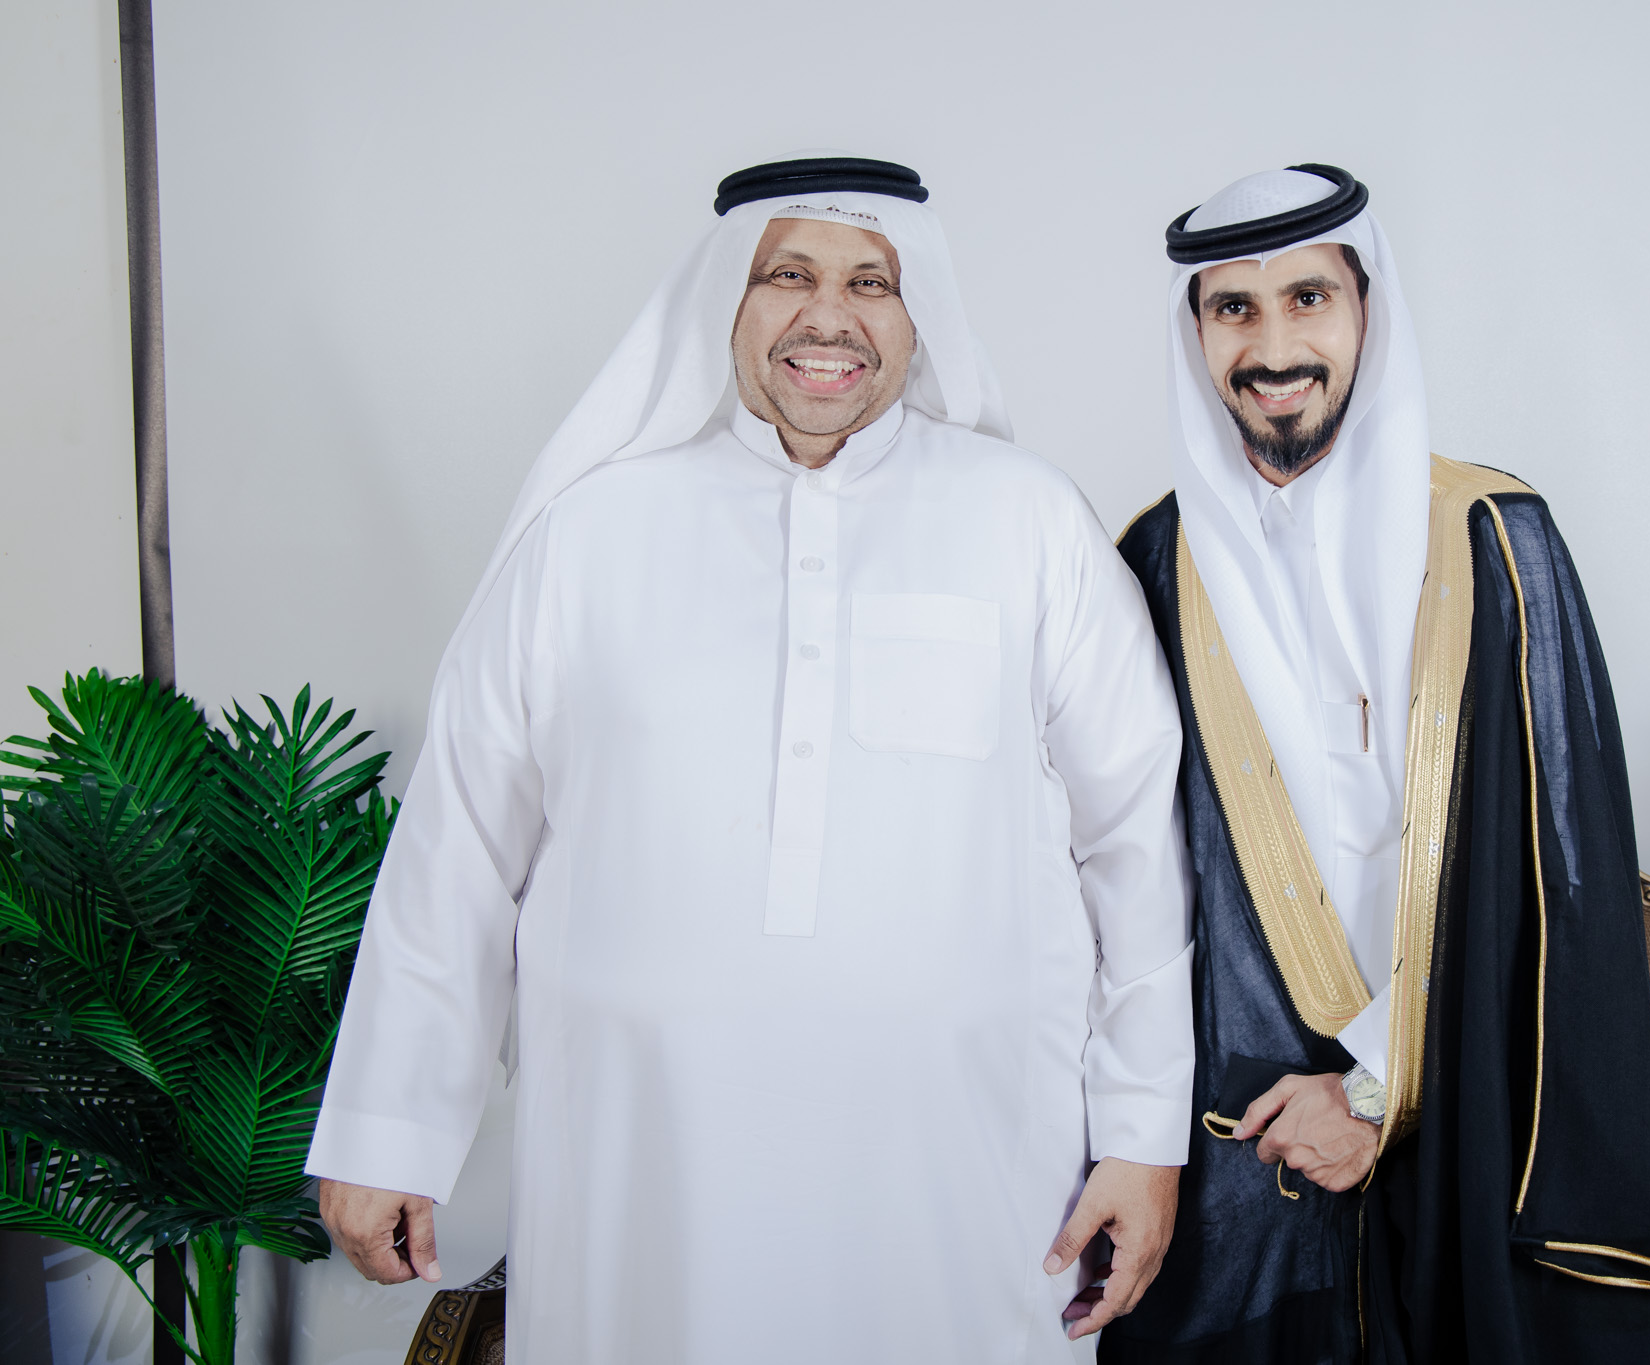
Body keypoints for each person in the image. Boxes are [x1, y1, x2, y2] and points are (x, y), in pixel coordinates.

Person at [307, 155, 1196, 1362]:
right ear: (725, 299)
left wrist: (1142, 1135)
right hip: (643, 1161)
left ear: (916, 315)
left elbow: (1135, 846)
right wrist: (386, 1131)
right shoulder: (587, 535)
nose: (829, 316)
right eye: (787, 275)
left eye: (870, 282)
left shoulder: (1031, 522)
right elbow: (458, 847)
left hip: (965, 1164)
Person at [1100, 165, 1650, 1363]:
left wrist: (1377, 1087)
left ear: (1366, 311)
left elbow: (1566, 875)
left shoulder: (1493, 540)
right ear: (1196, 332)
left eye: (1308, 298)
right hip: (1243, 1160)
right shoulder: (1151, 563)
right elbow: (1124, 884)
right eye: (1233, 308)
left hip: (1476, 1128)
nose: (1273, 347)